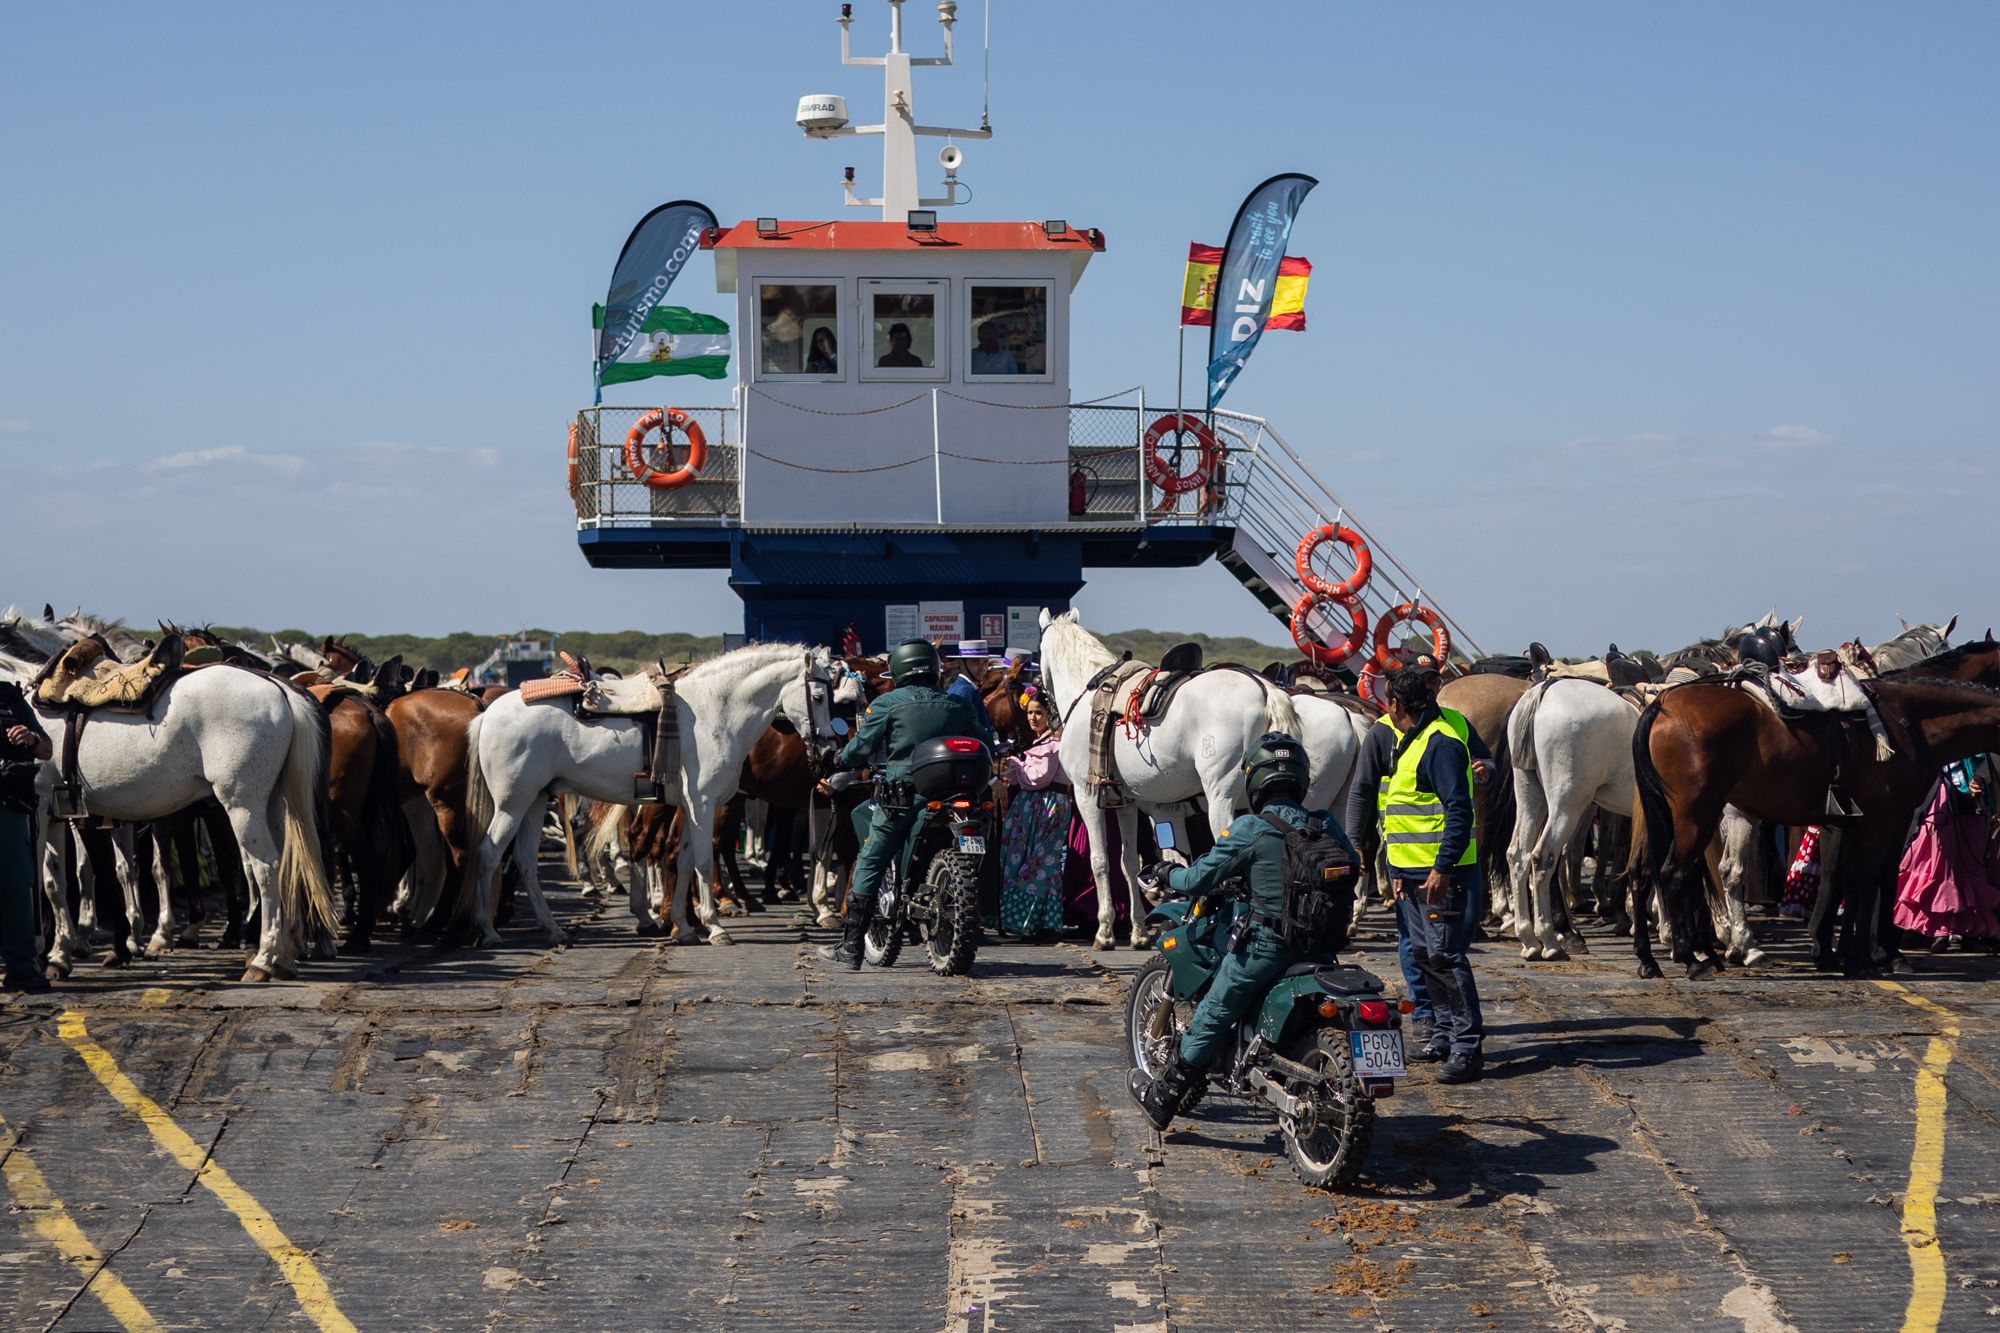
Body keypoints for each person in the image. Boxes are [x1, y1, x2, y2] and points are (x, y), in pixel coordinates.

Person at [1126, 733, 1358, 1130]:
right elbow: (1351, 863)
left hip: (1268, 948)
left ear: (1256, 780)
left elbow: (1199, 877)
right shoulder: (1325, 824)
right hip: (1321, 946)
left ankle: (1162, 1100)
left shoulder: (1252, 827)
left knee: (1212, 1014)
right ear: (1300, 778)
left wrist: (1168, 871)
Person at [1343, 669, 1493, 1056]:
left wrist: (1442, 868)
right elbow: (1383, 804)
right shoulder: (1390, 736)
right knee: (1425, 954)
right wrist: (1391, 869)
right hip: (1409, 868)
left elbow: (1458, 809)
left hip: (1440, 870)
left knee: (1445, 955)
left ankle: (1465, 1045)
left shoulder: (1442, 738)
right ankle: (1439, 1030)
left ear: (1395, 703)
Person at [818, 638, 993, 968]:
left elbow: (860, 748)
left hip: (903, 798)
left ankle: (852, 947)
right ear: (934, 668)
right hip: (956, 798)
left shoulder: (888, 703)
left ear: (898, 669)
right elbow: (985, 742)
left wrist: (838, 760)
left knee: (870, 860)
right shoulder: (956, 704)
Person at [998, 689, 1068, 939]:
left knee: (1041, 862)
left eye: (1039, 712)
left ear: (1050, 715)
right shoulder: (1037, 743)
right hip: (1031, 806)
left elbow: (1038, 777)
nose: (1034, 718)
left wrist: (1017, 765)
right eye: (1030, 713)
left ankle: (1025, 916)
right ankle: (1039, 921)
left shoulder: (1053, 744)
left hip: (1048, 805)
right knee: (1032, 860)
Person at [0, 679, 53, 993]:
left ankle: (22, 968)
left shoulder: (10, 697)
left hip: (9, 807)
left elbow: (46, 749)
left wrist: (31, 737)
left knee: (17, 888)